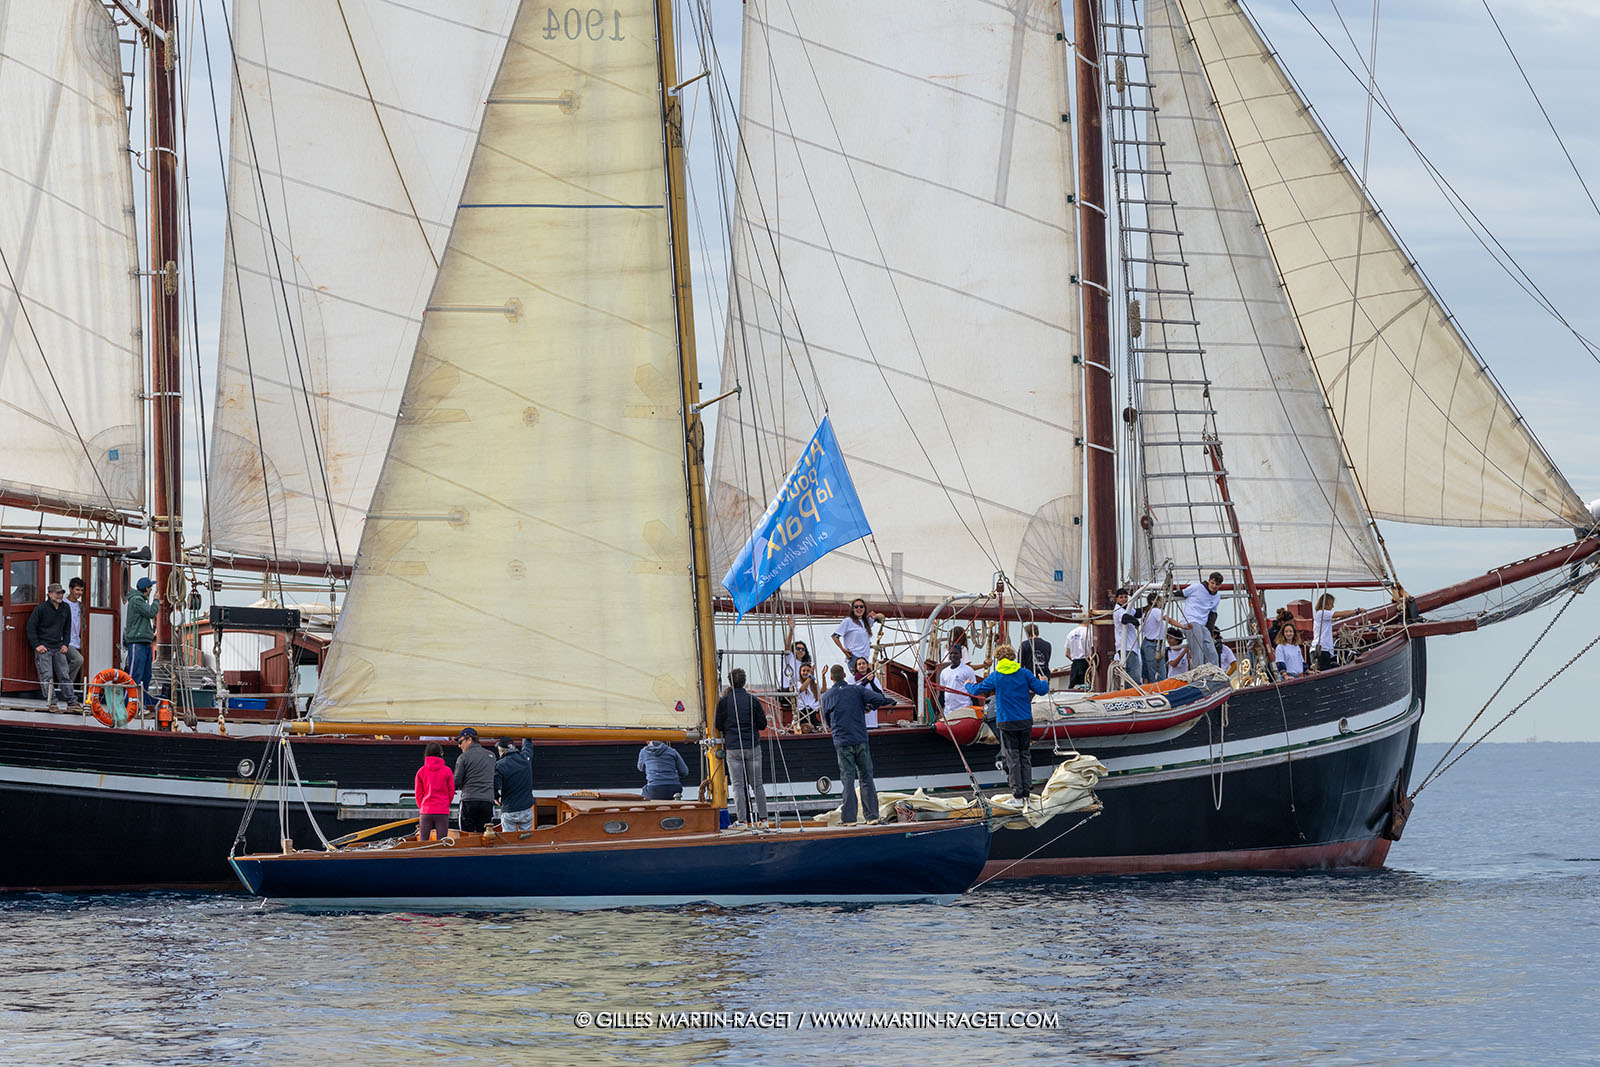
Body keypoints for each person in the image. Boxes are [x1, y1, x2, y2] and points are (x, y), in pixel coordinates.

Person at [965, 643, 1048, 801]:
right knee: (1025, 755)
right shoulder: (1024, 673)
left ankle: (1017, 796)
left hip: (1007, 722)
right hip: (1025, 721)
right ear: (1013, 657)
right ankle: (1026, 795)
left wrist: (967, 684)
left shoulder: (996, 676)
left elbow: (976, 690)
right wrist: (1044, 681)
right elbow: (1042, 690)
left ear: (998, 659)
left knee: (1012, 758)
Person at [820, 664, 894, 823]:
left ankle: (849, 819)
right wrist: (868, 706)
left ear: (831, 678)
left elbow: (827, 721)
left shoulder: (826, 696)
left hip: (842, 740)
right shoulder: (857, 690)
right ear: (844, 675)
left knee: (847, 778)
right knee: (866, 776)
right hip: (860, 738)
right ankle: (872, 817)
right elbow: (879, 699)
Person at [714, 668, 768, 825]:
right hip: (752, 746)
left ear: (730, 682)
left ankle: (742, 820)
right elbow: (762, 724)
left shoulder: (724, 702)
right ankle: (764, 819)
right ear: (744, 682)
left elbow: (718, 725)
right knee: (757, 784)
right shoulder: (753, 701)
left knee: (738, 786)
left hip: (733, 748)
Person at [28, 583, 76, 709]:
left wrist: (65, 644)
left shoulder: (65, 607)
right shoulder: (41, 608)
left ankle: (72, 701)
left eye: (61, 593)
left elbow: (67, 628)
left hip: (59, 647)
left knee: (64, 675)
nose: (60, 595)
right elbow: (31, 628)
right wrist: (37, 645)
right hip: (44, 647)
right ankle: (52, 702)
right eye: (57, 593)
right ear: (49, 594)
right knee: (47, 676)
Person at [1171, 572, 1224, 668]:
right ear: (1209, 581)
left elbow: (1212, 615)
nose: (1214, 586)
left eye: (1217, 584)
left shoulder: (1217, 597)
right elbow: (1182, 593)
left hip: (1202, 625)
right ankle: (1198, 672)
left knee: (1211, 652)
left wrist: (1210, 632)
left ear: (1220, 585)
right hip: (1191, 622)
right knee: (1197, 651)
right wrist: (1168, 595)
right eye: (1212, 583)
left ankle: (1213, 672)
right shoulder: (1197, 587)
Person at [123, 577, 161, 710]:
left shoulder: (140, 600)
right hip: (137, 642)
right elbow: (151, 612)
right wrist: (156, 600)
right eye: (150, 587)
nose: (151, 589)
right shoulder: (137, 600)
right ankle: (128, 703)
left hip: (144, 642)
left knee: (146, 675)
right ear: (146, 589)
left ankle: (141, 703)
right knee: (135, 674)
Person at [453, 727, 497, 833]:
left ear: (469, 739)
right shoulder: (491, 755)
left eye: (460, 742)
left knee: (466, 835)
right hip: (487, 801)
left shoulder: (463, 757)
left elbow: (457, 781)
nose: (459, 745)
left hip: (469, 799)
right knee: (484, 834)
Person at [413, 742, 455, 842]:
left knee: (423, 842)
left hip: (426, 810)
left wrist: (422, 807)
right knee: (442, 842)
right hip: (442, 810)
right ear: (441, 754)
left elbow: (418, 793)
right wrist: (445, 804)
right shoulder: (447, 771)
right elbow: (451, 791)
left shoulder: (421, 771)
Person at [493, 738, 534, 831]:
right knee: (526, 836)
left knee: (508, 837)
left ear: (501, 750)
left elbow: (494, 785)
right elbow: (528, 746)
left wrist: (496, 798)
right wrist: (525, 735)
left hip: (509, 808)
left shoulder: (500, 765)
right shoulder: (525, 758)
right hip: (526, 807)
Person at [831, 597, 884, 663]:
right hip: (854, 657)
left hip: (865, 658)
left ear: (864, 609)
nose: (859, 608)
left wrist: (875, 616)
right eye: (856, 607)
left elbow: (882, 617)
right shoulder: (848, 621)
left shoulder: (867, 621)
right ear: (853, 609)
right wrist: (843, 650)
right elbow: (835, 636)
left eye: (861, 607)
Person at [1309, 593, 1352, 672]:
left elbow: (1324, 633)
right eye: (1332, 603)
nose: (1333, 606)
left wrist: (1337, 633)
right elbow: (1342, 614)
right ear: (1327, 603)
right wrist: (1357, 610)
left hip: (1323, 650)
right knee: (1323, 673)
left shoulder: (1321, 615)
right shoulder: (1322, 613)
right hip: (1321, 651)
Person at [937, 645, 978, 722]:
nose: (953, 655)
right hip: (948, 712)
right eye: (951, 653)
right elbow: (942, 694)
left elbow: (973, 692)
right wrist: (938, 711)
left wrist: (976, 709)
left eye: (955, 653)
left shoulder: (968, 670)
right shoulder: (944, 672)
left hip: (964, 711)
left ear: (961, 655)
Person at [1111, 588, 1141, 678]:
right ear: (1116, 599)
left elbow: (1137, 613)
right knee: (1133, 674)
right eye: (1121, 597)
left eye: (1125, 597)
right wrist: (1136, 622)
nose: (1124, 599)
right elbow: (1125, 618)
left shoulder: (1127, 608)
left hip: (1132, 646)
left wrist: (1149, 606)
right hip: (1126, 647)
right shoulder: (1118, 610)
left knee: (1134, 671)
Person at [65, 577, 87, 701]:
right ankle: (66, 686)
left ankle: (66, 685)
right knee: (78, 660)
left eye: (81, 590)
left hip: (77, 641)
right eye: (77, 590)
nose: (79, 593)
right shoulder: (63, 603)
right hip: (66, 641)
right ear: (71, 589)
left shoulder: (80, 606)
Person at [852, 655, 887, 728]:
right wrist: (866, 681)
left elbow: (879, 694)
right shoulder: (852, 679)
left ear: (867, 665)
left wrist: (872, 682)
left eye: (863, 663)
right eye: (859, 664)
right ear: (856, 667)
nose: (862, 665)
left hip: (871, 715)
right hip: (857, 715)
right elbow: (854, 693)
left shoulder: (874, 679)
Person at [1140, 592, 1167, 683]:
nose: (1162, 602)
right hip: (1154, 645)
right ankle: (1159, 689)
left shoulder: (1146, 612)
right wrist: (1183, 627)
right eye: (1160, 600)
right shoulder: (1155, 611)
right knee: (1158, 673)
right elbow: (1168, 619)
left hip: (1146, 643)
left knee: (1148, 672)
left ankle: (1147, 688)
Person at [793, 662, 822, 731]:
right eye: (803, 671)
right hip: (802, 714)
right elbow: (800, 690)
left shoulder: (814, 686)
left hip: (813, 713)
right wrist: (810, 677)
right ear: (800, 672)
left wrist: (823, 676)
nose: (805, 673)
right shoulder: (797, 684)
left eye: (808, 671)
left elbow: (823, 691)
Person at [1065, 622, 1090, 688]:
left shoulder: (1071, 633)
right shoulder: (1089, 633)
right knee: (1086, 687)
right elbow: (1093, 652)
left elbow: (1067, 653)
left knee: (1072, 688)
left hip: (1075, 664)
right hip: (1086, 664)